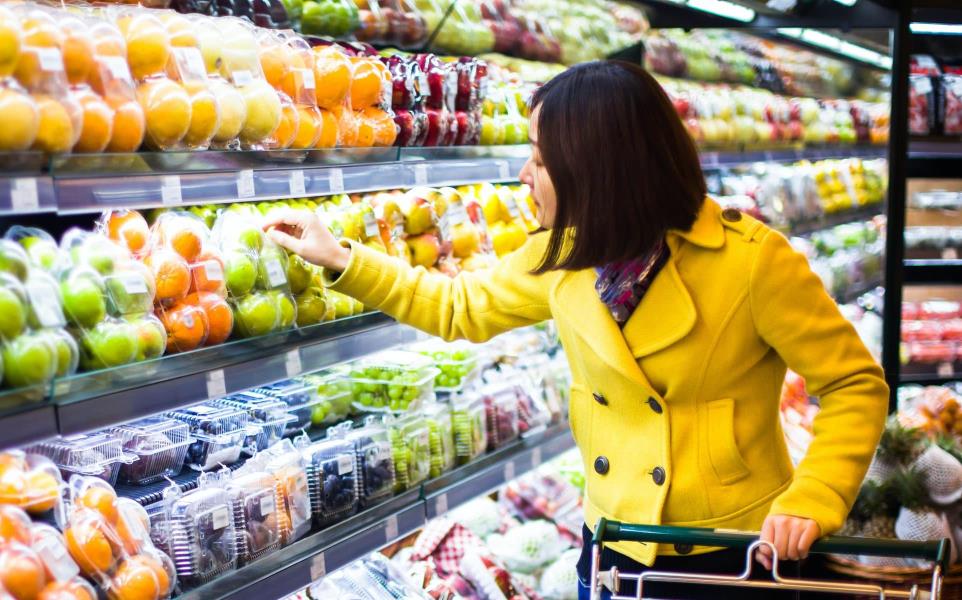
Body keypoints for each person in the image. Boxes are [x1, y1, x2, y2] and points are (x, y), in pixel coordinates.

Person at [263, 61, 888, 599]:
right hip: (614, 540)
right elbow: (458, 306)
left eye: (540, 160)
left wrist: (814, 495)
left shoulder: (751, 262)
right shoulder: (562, 257)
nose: (523, 176)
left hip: (727, 552)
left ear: (599, 169)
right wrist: (344, 257)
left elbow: (854, 384)